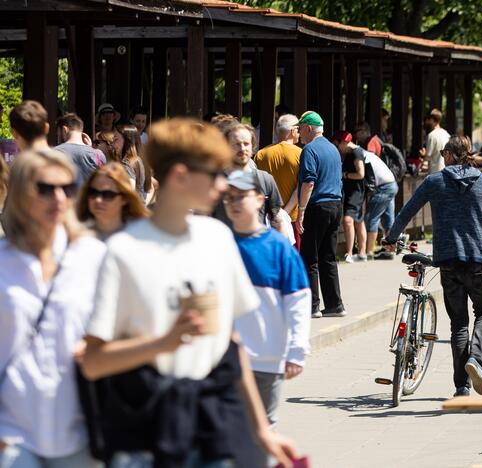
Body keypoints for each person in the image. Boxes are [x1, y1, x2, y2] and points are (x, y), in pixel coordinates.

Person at [79, 118, 299, 467]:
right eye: (214, 173)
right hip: (146, 435)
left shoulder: (217, 238)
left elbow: (232, 342)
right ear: (180, 176)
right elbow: (93, 362)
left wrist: (261, 429)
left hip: (212, 426)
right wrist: (163, 343)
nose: (223, 183)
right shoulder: (124, 250)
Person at [0, 148, 106, 467]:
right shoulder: (3, 261)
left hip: (80, 426)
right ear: (20, 194)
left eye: (67, 188)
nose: (58, 198)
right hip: (12, 429)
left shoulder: (92, 256)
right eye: (45, 188)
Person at [383, 136, 482, 397]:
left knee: (458, 323)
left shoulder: (435, 181)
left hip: (447, 261)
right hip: (478, 260)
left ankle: (461, 386)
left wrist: (390, 238)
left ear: (451, 154)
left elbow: (407, 211)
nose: (443, 156)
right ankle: (476, 359)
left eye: (444, 152)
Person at [223, 170, 311, 435]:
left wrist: (297, 349)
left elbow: (298, 300)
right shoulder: (219, 244)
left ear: (260, 199)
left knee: (263, 427)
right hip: (224, 359)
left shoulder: (278, 247)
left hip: (266, 357)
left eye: (242, 197)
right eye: (230, 197)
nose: (235, 203)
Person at [295, 111, 346, 319]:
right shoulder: (333, 149)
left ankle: (312, 306)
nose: (299, 133)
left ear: (308, 128)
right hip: (335, 205)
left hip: (317, 206)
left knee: (310, 257)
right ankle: (335, 305)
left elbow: (308, 182)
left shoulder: (309, 150)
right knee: (328, 257)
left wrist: (301, 211)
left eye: (300, 129)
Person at [213, 124, 284, 230]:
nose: (242, 148)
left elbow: (277, 220)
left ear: (252, 146)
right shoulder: (214, 182)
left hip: (256, 244)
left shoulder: (265, 179)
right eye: (236, 144)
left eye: (246, 144)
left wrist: (282, 245)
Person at [255, 114, 302, 247]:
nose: (299, 133)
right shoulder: (300, 153)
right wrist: (285, 213)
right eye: (298, 129)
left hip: (267, 216)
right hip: (292, 217)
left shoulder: (261, 154)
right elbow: (302, 186)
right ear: (293, 132)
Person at [76, 162, 150, 240]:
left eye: (108, 194)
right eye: (93, 192)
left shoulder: (140, 237)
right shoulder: (77, 237)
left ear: (124, 198)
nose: (98, 200)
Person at [332, 131, 367, 262]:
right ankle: (362, 252)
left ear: (344, 142)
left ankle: (350, 253)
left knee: (348, 220)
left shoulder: (356, 153)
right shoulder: (349, 153)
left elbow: (361, 174)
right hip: (353, 191)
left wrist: (345, 175)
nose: (337, 147)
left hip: (356, 192)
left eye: (337, 144)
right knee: (358, 221)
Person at [362, 140, 399, 258]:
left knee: (371, 218)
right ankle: (389, 250)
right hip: (392, 184)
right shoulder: (368, 155)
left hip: (384, 187)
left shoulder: (360, 157)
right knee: (388, 219)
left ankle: (369, 252)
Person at [54, 112, 104, 187]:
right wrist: (90, 148)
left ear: (65, 130)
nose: (58, 136)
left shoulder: (55, 153)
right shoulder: (98, 155)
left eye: (58, 133)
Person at [119, 125, 150, 203]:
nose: (112, 143)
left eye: (116, 139)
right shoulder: (140, 159)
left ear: (126, 141)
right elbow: (153, 185)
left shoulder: (127, 163)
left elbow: (130, 191)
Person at [419, 109, 451, 174]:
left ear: (432, 120)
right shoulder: (447, 134)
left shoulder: (431, 135)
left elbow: (428, 156)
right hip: (447, 171)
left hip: (435, 173)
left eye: (429, 119)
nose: (427, 121)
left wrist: (423, 154)